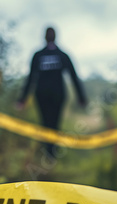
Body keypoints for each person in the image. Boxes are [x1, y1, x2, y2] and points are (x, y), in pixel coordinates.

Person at [18, 27, 87, 156]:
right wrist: (82, 98)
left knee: (48, 123)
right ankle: (50, 154)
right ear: (55, 37)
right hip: (51, 95)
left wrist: (22, 99)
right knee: (52, 124)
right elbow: (73, 77)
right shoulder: (58, 55)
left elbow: (31, 78)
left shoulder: (42, 55)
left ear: (45, 37)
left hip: (50, 95)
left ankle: (49, 153)